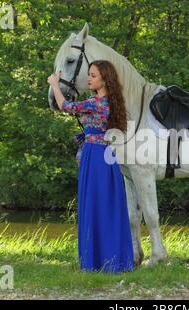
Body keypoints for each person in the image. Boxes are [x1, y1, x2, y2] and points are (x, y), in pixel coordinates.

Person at [47, 60, 135, 273]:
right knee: (108, 207)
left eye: (93, 75)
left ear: (104, 79)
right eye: (89, 74)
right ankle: (113, 259)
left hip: (95, 157)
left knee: (95, 206)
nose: (89, 78)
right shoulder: (110, 103)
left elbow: (66, 107)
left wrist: (55, 85)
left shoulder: (96, 103)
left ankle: (96, 261)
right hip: (107, 156)